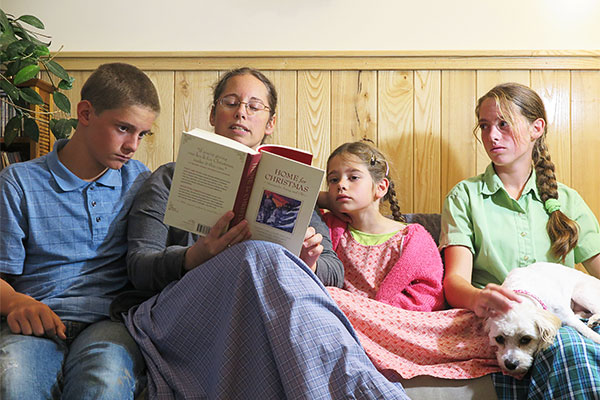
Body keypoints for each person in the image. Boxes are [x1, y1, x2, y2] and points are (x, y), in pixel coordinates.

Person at [118, 67, 409, 399]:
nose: (241, 111)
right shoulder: (168, 178)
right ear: (213, 114)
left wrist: (308, 264)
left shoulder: (290, 182)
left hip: (258, 312)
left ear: (270, 123)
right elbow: (138, 267)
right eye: (230, 102)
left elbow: (334, 269)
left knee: (273, 268)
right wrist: (196, 256)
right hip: (180, 314)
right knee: (260, 254)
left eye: (254, 106)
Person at [0, 63, 161, 399]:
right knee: (14, 379)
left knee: (105, 379)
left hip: (110, 322)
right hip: (37, 321)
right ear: (85, 113)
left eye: (142, 134)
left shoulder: (141, 182)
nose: (133, 145)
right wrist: (16, 302)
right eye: (123, 128)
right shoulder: (18, 183)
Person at [440, 82, 600, 399]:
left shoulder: (567, 200)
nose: (492, 136)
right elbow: (454, 280)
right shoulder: (465, 196)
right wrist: (478, 299)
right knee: (567, 346)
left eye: (503, 124)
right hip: (505, 326)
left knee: (568, 339)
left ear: (536, 128)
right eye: (484, 126)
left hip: (565, 315)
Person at [321, 140, 445, 311]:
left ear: (380, 187)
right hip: (345, 320)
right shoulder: (330, 228)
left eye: (353, 177)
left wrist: (378, 311)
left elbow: (428, 294)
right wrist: (325, 199)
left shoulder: (412, 238)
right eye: (333, 180)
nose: (341, 185)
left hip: (393, 320)